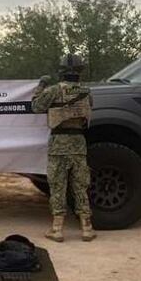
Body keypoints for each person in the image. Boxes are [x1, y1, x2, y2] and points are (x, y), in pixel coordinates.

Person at [31, 53, 95, 242]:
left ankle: (57, 229)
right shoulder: (87, 92)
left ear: (60, 71)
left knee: (58, 186)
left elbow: (36, 106)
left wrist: (40, 86)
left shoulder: (53, 90)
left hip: (58, 144)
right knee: (80, 186)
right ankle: (87, 228)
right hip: (78, 144)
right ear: (81, 71)